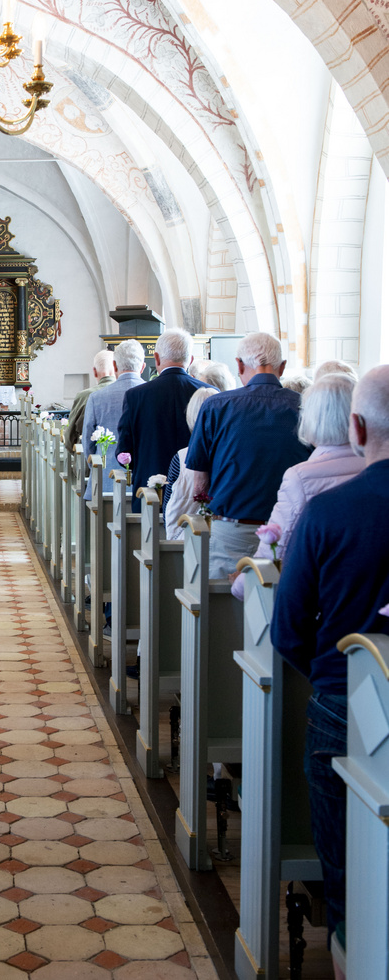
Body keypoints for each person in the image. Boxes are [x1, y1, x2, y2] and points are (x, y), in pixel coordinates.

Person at [271, 365, 389, 951]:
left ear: (358, 427)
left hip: (342, 701)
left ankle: (350, 949)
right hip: (343, 696)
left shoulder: (329, 512)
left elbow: (287, 628)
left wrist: (324, 679)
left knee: (344, 869)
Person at [229, 372, 365, 601]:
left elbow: (275, 550)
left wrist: (241, 585)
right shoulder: (376, 467)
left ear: (311, 418)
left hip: (321, 600)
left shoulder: (300, 477)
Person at [186, 331, 308, 579]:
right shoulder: (305, 406)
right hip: (289, 532)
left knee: (222, 611)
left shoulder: (216, 406)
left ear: (239, 365)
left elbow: (200, 481)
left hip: (232, 529)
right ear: (282, 367)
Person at [116, 328, 205, 512]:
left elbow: (125, 451)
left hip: (149, 492)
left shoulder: (136, 396)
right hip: (194, 496)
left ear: (156, 358)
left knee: (146, 540)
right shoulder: (209, 395)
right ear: (191, 360)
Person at [80, 339, 145, 497]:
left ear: (114, 366)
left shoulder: (96, 398)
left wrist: (96, 466)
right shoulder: (154, 396)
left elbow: (88, 442)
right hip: (143, 485)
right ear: (143, 367)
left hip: (105, 480)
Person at [162, 387, 218, 540]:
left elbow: (168, 504)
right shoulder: (231, 455)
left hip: (185, 539)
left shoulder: (180, 457)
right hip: (222, 539)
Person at [66, 349, 117, 452]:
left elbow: (69, 438)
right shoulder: (129, 393)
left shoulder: (84, 396)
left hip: (89, 460)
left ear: (94, 371)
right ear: (116, 368)